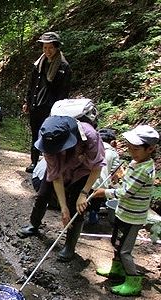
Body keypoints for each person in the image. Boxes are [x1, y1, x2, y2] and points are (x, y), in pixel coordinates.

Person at [17, 115, 106, 262]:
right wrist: (62, 207)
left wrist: (84, 193)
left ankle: (69, 246)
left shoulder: (90, 136)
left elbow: (97, 167)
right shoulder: (46, 136)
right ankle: (34, 224)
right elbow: (55, 176)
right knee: (42, 195)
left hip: (82, 172)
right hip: (60, 170)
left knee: (77, 207)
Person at [92, 125, 159, 296]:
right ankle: (117, 269)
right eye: (129, 147)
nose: (130, 151)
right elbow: (126, 183)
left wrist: (104, 192)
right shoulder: (136, 162)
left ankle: (133, 281)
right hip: (124, 212)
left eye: (135, 149)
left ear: (150, 149)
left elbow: (127, 192)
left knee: (125, 250)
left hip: (133, 217)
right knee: (116, 242)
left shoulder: (145, 169)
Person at [22, 32, 72, 173]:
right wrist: (27, 101)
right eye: (45, 47)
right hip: (36, 105)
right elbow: (32, 85)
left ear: (56, 47)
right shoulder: (39, 63)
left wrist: (58, 111)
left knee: (49, 136)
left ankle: (49, 166)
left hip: (51, 108)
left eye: (50, 48)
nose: (47, 51)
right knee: (35, 134)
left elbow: (64, 92)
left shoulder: (63, 67)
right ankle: (33, 162)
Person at [88, 128, 121, 224]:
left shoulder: (92, 148)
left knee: (84, 200)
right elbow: (114, 173)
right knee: (95, 203)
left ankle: (79, 219)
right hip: (101, 185)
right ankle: (92, 217)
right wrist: (116, 182)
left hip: (87, 181)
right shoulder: (113, 153)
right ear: (112, 142)